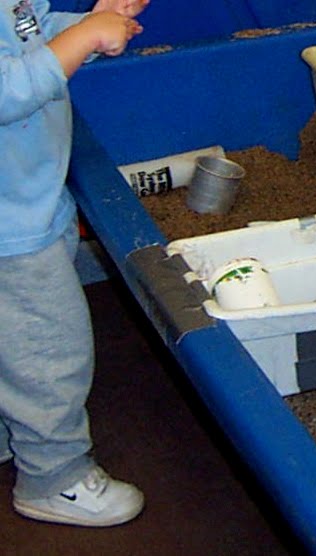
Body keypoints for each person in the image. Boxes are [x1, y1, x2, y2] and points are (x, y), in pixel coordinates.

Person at [0, 0, 148, 527]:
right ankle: (51, 475)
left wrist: (88, 26)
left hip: (30, 195)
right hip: (10, 232)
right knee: (49, 352)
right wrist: (83, 40)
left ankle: (10, 426)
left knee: (12, 341)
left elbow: (28, 32)